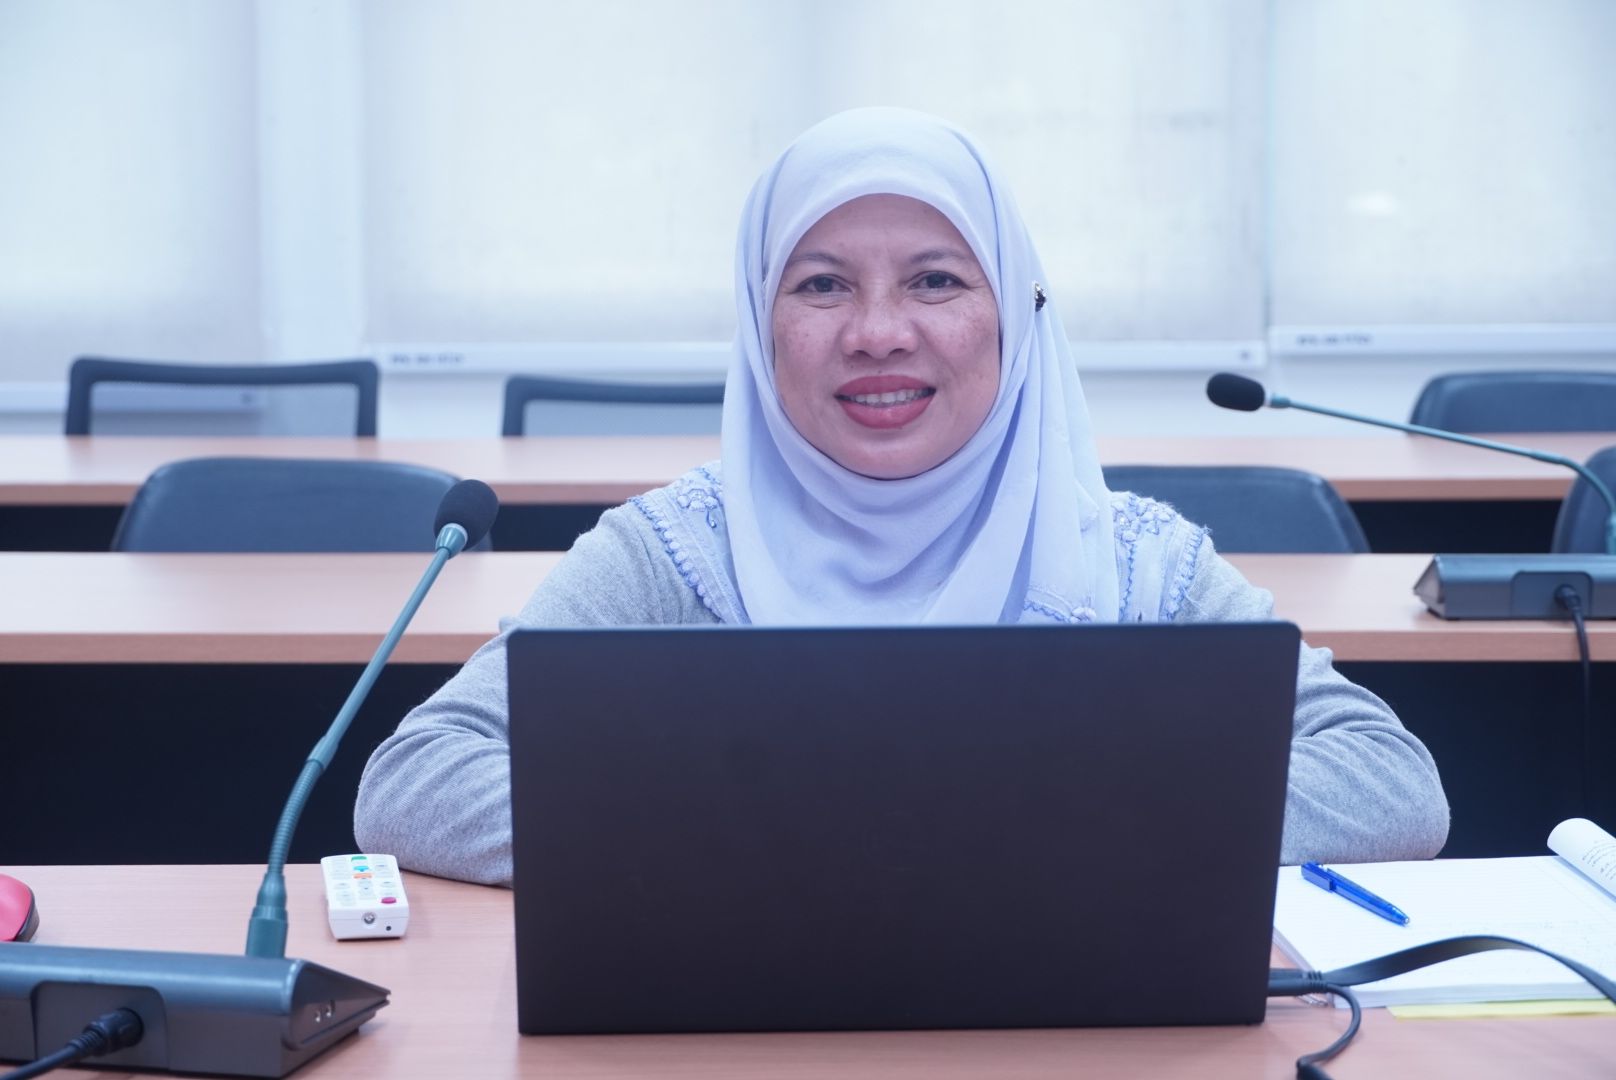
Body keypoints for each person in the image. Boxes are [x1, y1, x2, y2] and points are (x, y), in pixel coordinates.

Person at [355, 107, 1448, 885]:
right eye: (822, 284)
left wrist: (1012, 833)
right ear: (759, 325)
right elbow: (414, 781)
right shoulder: (674, 552)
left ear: (1014, 316)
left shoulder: (1127, 560)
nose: (878, 332)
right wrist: (811, 840)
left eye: (935, 279)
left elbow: (1388, 784)